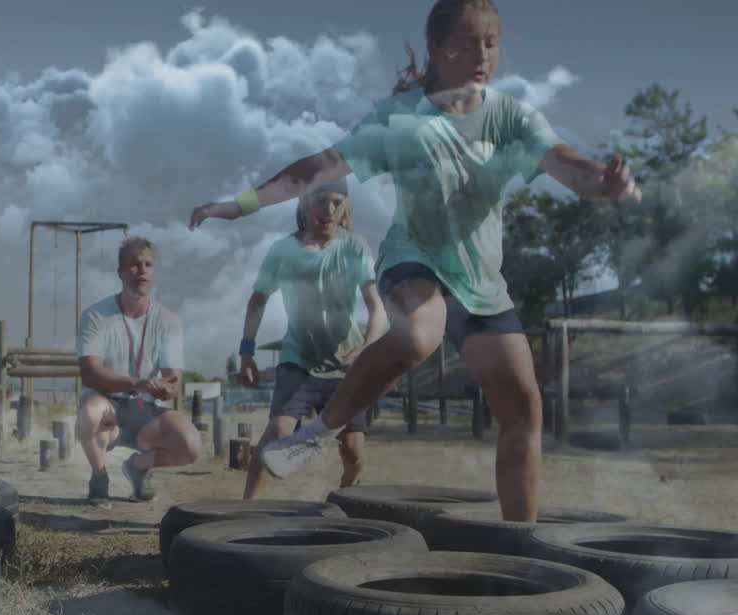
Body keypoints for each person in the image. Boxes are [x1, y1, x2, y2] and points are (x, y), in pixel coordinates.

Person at [189, 0, 640, 522]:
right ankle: (322, 431)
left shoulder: (511, 117)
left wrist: (603, 184)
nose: (482, 55)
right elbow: (315, 169)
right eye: (467, 42)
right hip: (415, 258)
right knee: (418, 334)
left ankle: (520, 543)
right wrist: (237, 205)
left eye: (491, 43)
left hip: (481, 282)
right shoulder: (401, 119)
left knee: (523, 410)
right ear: (437, 48)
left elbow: (567, 164)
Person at [240, 181, 387, 499]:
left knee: (353, 451)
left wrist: (366, 348)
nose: (329, 211)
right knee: (279, 433)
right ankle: (246, 506)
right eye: (321, 201)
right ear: (304, 203)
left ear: (345, 205)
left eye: (337, 202)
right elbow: (257, 302)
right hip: (298, 362)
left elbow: (377, 308)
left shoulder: (354, 247)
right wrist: (246, 351)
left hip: (346, 366)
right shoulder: (282, 250)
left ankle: (348, 497)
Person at [75, 236, 202, 505]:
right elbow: (90, 373)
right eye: (134, 265)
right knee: (90, 410)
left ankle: (138, 467)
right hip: (107, 407)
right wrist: (138, 382)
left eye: (147, 265)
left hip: (145, 411)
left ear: (153, 272)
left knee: (191, 445)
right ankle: (99, 477)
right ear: (120, 272)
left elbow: (172, 378)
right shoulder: (96, 316)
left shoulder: (168, 321)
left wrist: (168, 387)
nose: (141, 270)